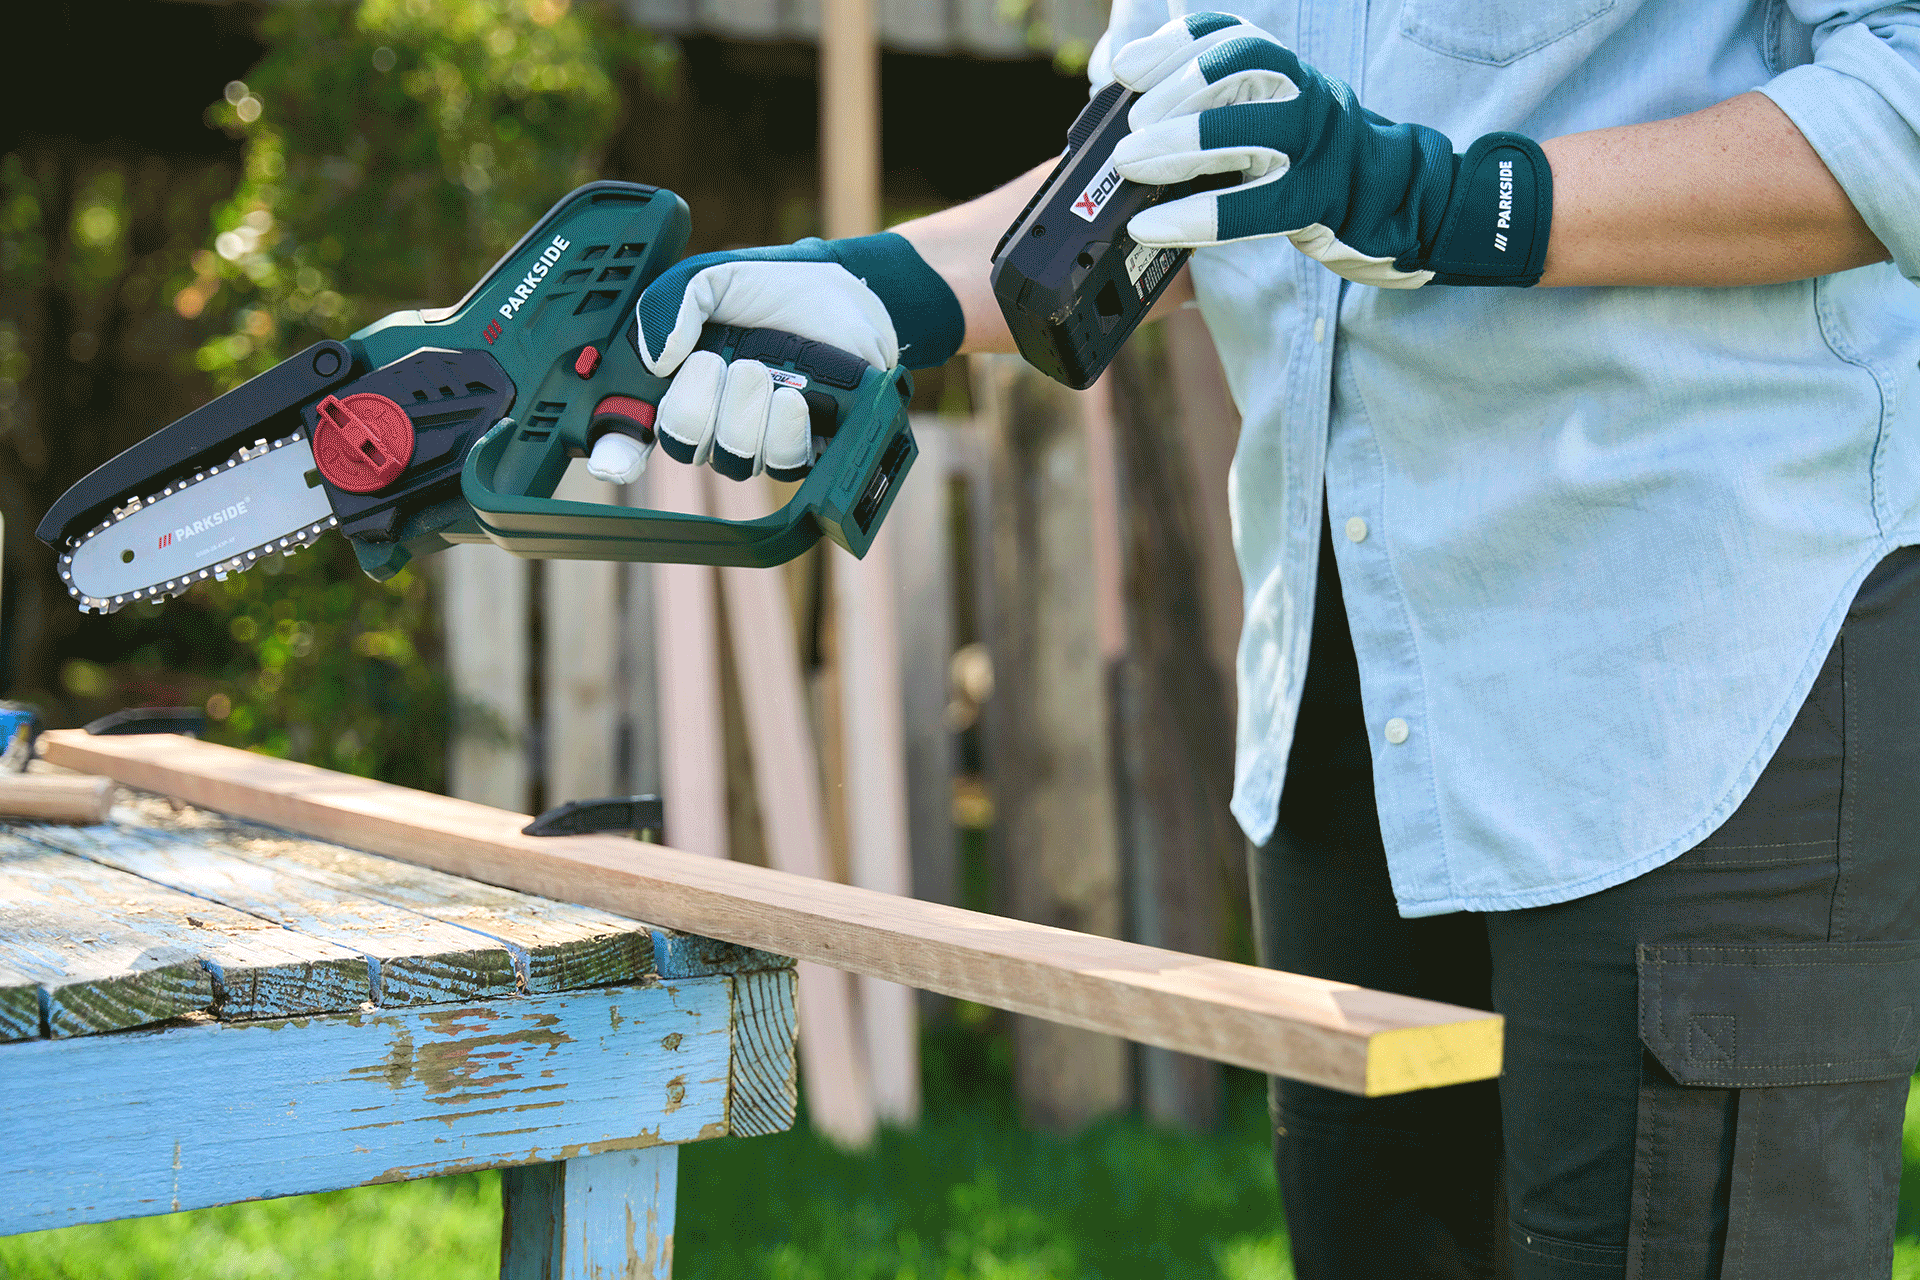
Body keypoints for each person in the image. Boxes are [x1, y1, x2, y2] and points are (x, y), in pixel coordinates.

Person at [627, 3, 1920, 1276]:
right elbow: (1174, 165)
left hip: (1699, 677)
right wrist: (880, 288)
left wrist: (1458, 201)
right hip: (1346, 682)